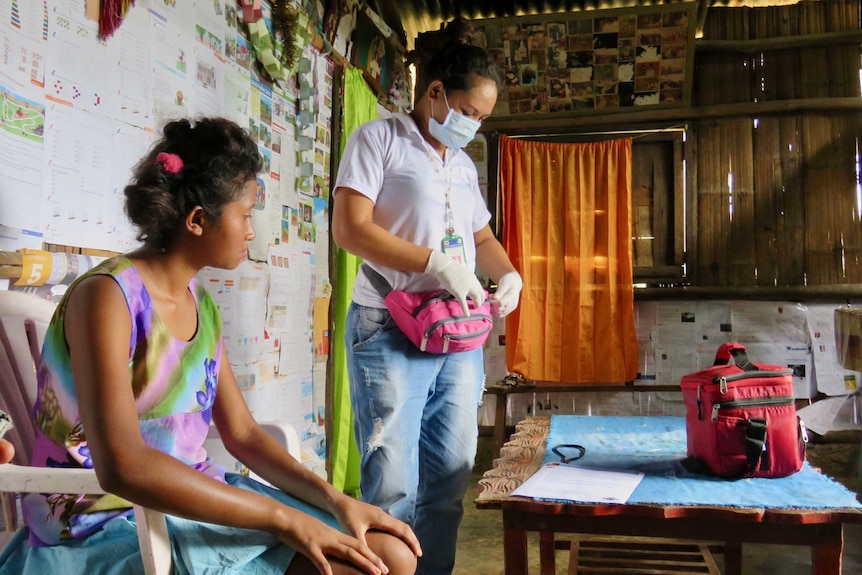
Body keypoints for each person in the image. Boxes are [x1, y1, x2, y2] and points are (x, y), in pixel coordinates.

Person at [0, 117, 420, 575]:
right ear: (198, 220)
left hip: (193, 499)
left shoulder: (200, 302)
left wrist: (337, 502)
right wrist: (284, 519)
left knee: (392, 555)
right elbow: (123, 465)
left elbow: (243, 434)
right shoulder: (107, 297)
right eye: (245, 214)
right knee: (367, 568)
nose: (252, 231)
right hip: (107, 520)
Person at [331, 20, 523, 575]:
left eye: (484, 118)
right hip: (388, 328)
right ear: (435, 91)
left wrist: (508, 273)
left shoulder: (462, 165)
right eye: (471, 112)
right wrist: (434, 263)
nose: (475, 125)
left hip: (454, 332)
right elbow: (350, 229)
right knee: (393, 484)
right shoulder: (378, 140)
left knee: (448, 475)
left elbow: (481, 238)